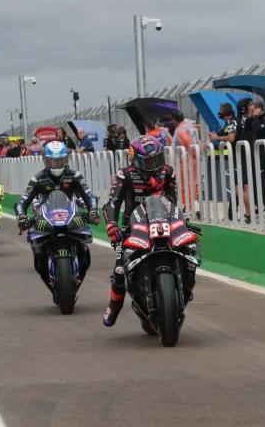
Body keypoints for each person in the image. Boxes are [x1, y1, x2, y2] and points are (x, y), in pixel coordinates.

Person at [101, 136, 178, 327]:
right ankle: (114, 306)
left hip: (163, 223)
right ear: (134, 160)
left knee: (185, 249)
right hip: (134, 227)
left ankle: (183, 284)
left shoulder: (168, 172)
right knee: (120, 271)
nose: (154, 166)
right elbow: (112, 203)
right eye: (147, 162)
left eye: (157, 160)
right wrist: (112, 224)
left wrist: (180, 220)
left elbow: (174, 203)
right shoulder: (125, 175)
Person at [15, 141, 100, 291]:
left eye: (59, 161)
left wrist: (93, 211)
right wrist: (22, 217)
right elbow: (22, 202)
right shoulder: (37, 179)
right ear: (45, 161)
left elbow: (89, 196)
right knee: (36, 245)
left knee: (84, 243)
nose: (56, 166)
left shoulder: (75, 176)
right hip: (45, 218)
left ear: (66, 160)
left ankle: (79, 273)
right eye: (52, 162)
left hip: (71, 215)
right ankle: (48, 277)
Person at [205, 103, 241, 222]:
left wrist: (217, 138)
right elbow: (218, 134)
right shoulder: (227, 124)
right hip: (236, 157)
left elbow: (231, 138)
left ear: (225, 112)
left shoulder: (232, 121)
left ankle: (253, 211)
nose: (219, 112)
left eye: (220, 110)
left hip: (241, 158)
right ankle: (231, 215)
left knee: (239, 188)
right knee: (236, 187)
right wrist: (209, 139)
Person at [171, 110, 201, 216]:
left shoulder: (181, 130)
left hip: (185, 161)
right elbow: (198, 143)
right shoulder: (191, 127)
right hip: (192, 160)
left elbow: (187, 142)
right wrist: (197, 156)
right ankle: (191, 207)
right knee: (192, 184)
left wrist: (193, 155)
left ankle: (189, 208)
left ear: (174, 120)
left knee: (186, 185)